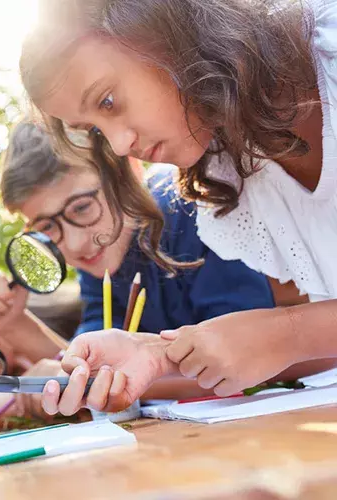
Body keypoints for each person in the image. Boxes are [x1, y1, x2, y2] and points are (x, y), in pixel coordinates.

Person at [17, 0, 337, 415]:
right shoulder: (230, 172)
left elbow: (296, 337)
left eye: (109, 101)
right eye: (95, 128)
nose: (118, 145)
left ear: (160, 27)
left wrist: (288, 333)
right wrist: (155, 354)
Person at [0, 121, 278, 398]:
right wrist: (15, 325)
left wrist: (99, 381)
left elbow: (242, 361)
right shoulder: (100, 264)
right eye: (46, 227)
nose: (74, 244)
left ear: (130, 170)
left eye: (83, 207)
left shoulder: (195, 212)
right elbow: (88, 362)